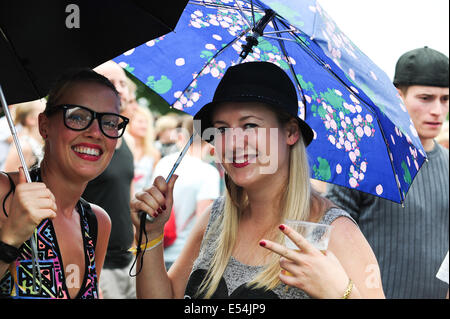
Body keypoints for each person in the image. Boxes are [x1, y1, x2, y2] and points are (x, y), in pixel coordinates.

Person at [130, 62, 385, 299]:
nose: (232, 142)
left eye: (250, 125)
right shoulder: (216, 218)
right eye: (221, 129)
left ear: (291, 132)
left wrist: (340, 292)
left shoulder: (332, 231)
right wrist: (151, 236)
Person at [326, 47, 449, 298]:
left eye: (445, 99)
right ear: (398, 96)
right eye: (426, 98)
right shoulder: (363, 160)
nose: (437, 110)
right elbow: (333, 238)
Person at [0, 68, 126, 298]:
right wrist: (10, 239)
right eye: (77, 116)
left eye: (109, 122)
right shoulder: (4, 195)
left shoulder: (97, 222)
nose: (96, 133)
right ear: (44, 125)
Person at [81, 61, 136, 299]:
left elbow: (127, 198)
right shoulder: (84, 140)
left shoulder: (127, 140)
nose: (120, 89)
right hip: (96, 263)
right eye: (111, 82)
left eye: (123, 83)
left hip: (129, 259)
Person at [151, 115, 220, 270]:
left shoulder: (164, 163)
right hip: (186, 257)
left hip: (157, 250)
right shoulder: (208, 172)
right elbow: (205, 222)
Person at [2, 100, 45, 172]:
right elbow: (11, 180)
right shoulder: (23, 147)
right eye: (46, 112)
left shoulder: (38, 143)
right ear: (31, 119)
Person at [128, 106, 161, 194]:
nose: (144, 126)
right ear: (129, 123)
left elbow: (154, 183)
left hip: (142, 203)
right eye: (140, 122)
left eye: (146, 122)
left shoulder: (154, 153)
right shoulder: (123, 149)